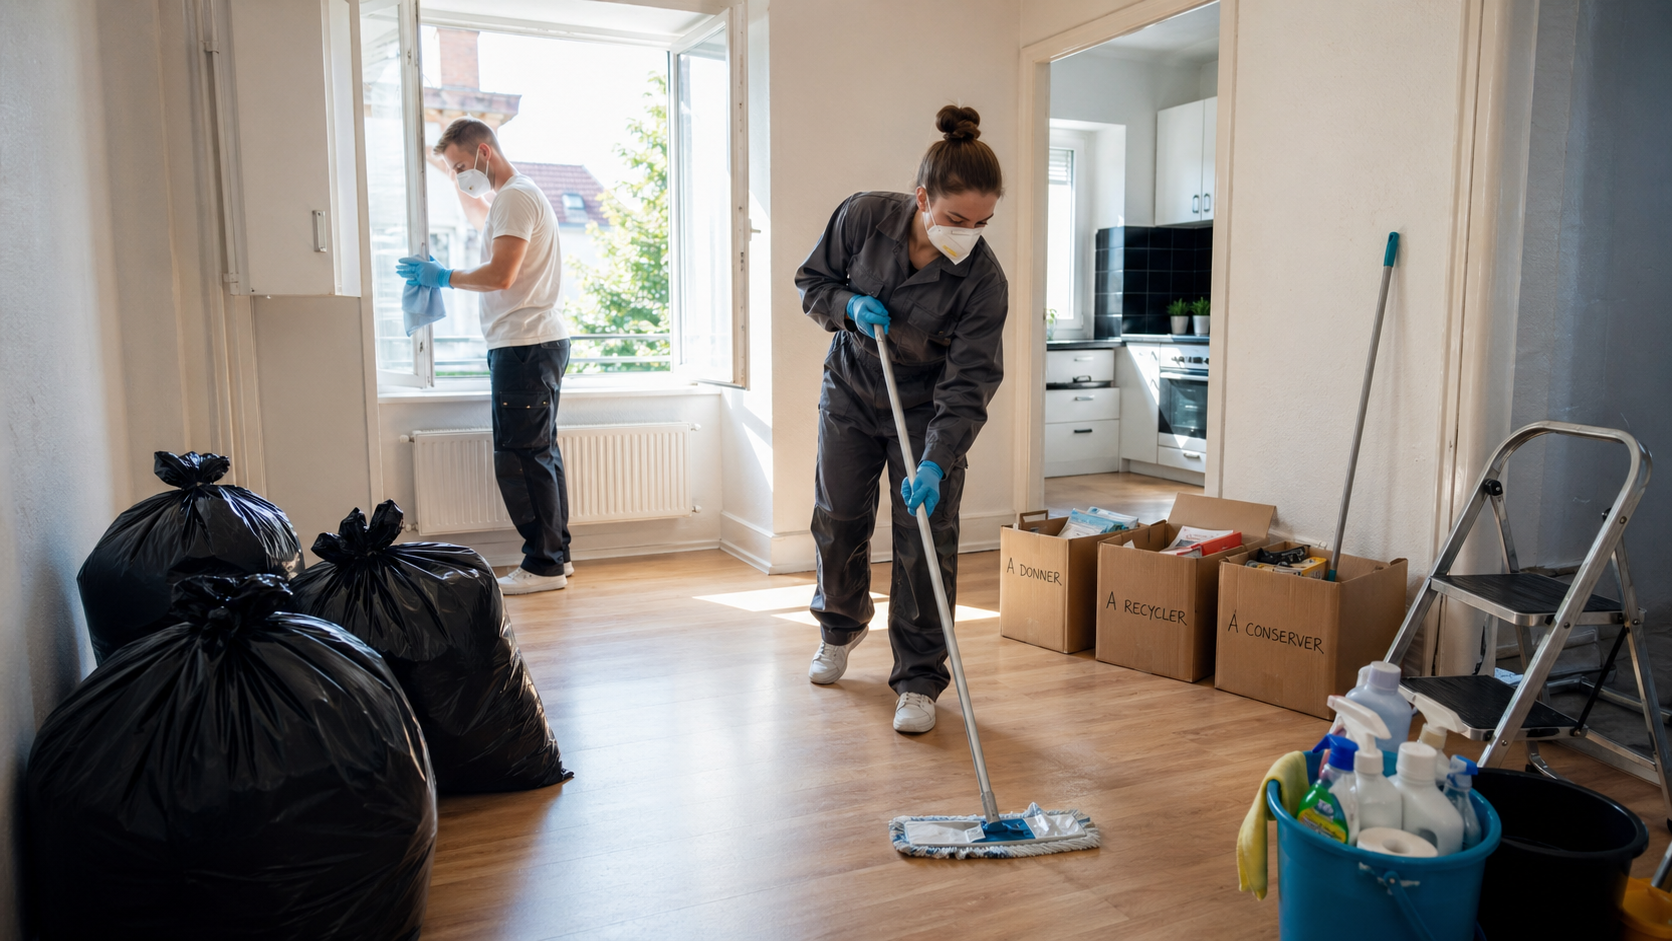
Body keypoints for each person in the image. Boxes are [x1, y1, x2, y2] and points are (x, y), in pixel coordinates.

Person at [794, 105, 1008, 734]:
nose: (968, 233)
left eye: (982, 222)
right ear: (922, 198)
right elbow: (812, 282)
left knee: (924, 539)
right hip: (852, 387)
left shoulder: (982, 281)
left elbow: (970, 382)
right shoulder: (863, 216)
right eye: (956, 219)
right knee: (838, 516)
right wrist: (848, 305)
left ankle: (918, 679)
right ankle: (839, 628)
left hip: (925, 409)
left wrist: (938, 461)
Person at [397, 118, 574, 595]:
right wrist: (449, 179)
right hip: (532, 343)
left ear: (484, 153)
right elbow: (483, 224)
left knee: (521, 458)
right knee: (540, 454)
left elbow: (500, 275)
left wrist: (443, 277)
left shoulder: (515, 197)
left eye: (459, 167)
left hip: (524, 345)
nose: (458, 176)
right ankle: (557, 556)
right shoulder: (512, 198)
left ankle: (543, 566)